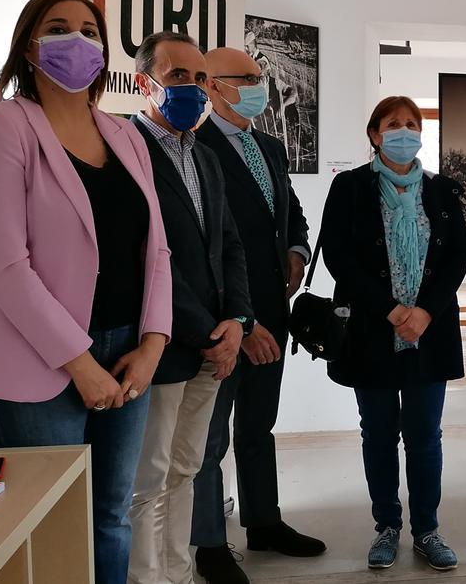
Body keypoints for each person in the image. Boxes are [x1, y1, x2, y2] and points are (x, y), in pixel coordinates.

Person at [0, 0, 172, 584]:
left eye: (90, 30)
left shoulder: (126, 135)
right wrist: (80, 364)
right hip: (38, 365)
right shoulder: (0, 126)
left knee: (109, 515)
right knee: (51, 522)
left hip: (126, 351)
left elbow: (156, 247)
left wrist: (153, 344)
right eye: (58, 27)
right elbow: (4, 266)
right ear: (31, 45)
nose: (77, 40)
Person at [126, 31, 254, 584]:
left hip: (213, 344)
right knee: (148, 477)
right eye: (179, 76)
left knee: (187, 469)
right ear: (143, 82)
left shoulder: (205, 155)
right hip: (161, 344)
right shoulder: (125, 151)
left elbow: (228, 244)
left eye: (201, 78)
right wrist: (207, 331)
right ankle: (147, 578)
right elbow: (146, 257)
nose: (195, 88)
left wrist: (238, 322)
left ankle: (178, 574)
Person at [320, 96, 466, 571]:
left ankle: (427, 529)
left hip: (430, 330)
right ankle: (386, 525)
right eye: (392, 124)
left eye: (411, 124)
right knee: (379, 434)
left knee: (425, 435)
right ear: (374, 134)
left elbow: (456, 259)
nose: (403, 131)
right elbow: (339, 257)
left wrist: (424, 311)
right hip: (371, 330)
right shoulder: (350, 187)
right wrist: (391, 310)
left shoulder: (443, 190)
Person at [192, 47, 322, 584]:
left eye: (259, 76)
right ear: (212, 86)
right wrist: (241, 321)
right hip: (225, 320)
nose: (257, 85)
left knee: (258, 426)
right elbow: (201, 247)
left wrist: (296, 249)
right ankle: (209, 544)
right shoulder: (193, 148)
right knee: (209, 437)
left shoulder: (268, 145)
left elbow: (288, 210)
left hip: (275, 308)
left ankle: (264, 521)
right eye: (245, 78)